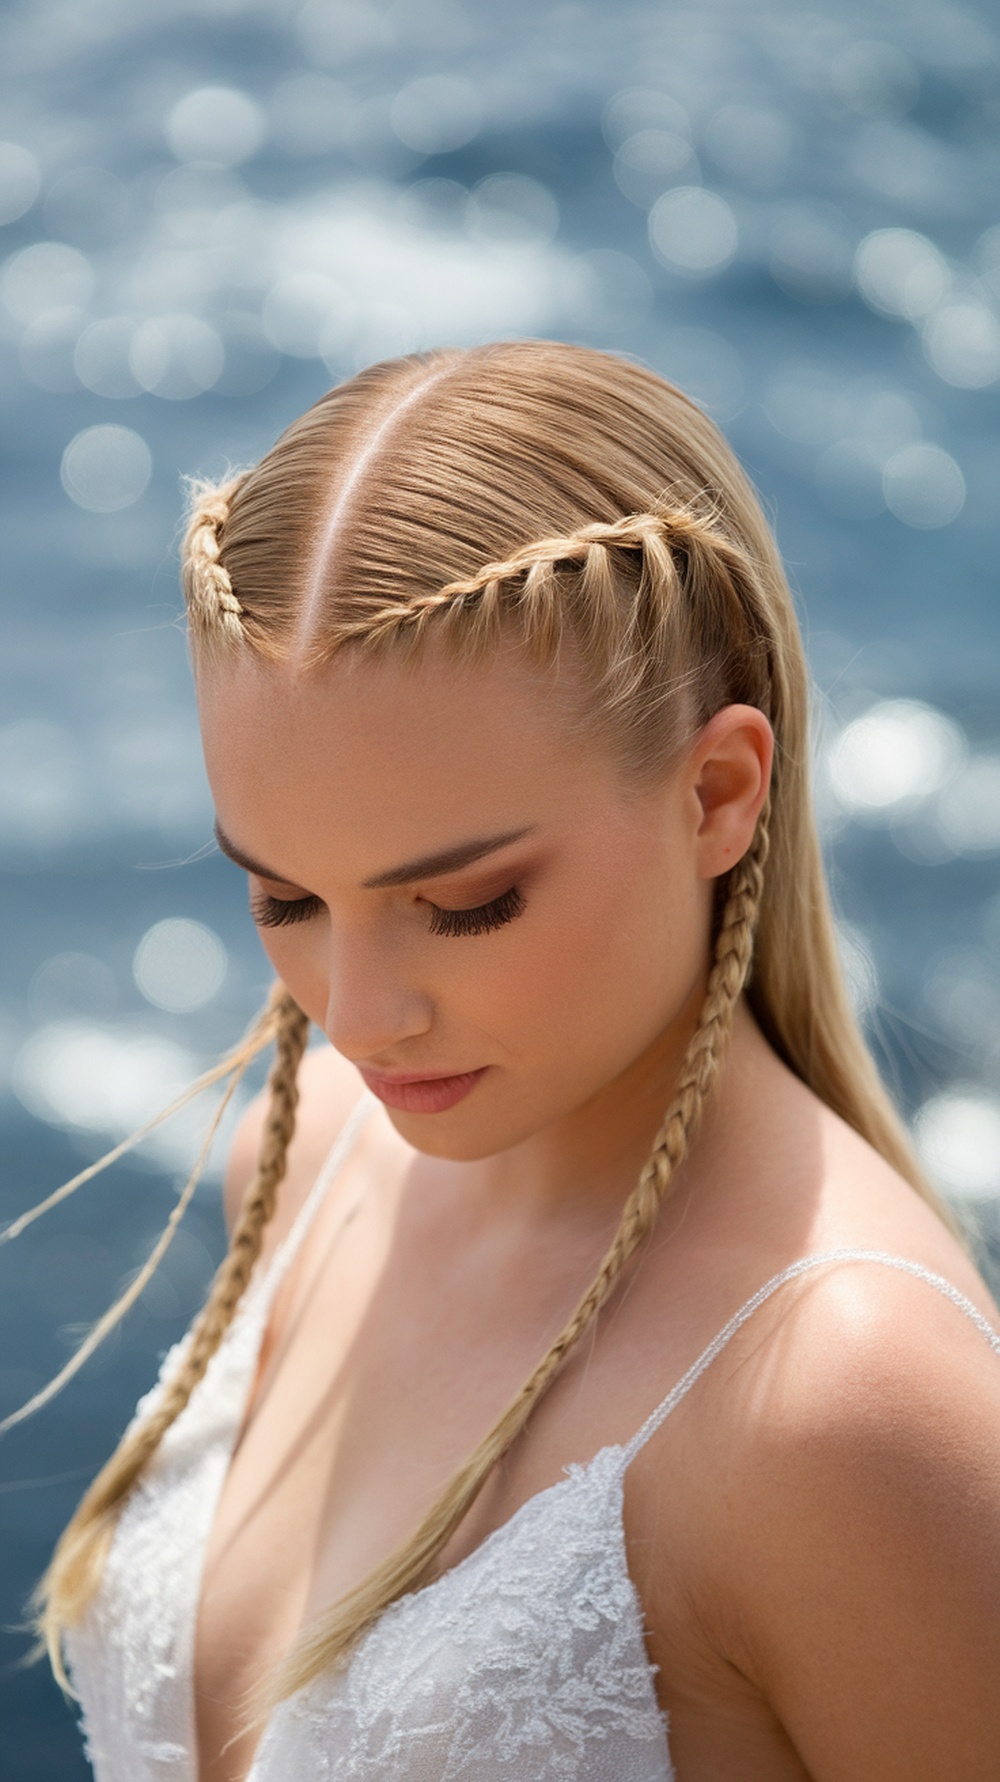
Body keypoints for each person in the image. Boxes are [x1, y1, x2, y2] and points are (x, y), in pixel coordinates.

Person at [22, 340, 1000, 1780]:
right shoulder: (303, 1170)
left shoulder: (841, 1402)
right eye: (285, 895)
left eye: (465, 903)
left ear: (718, 791)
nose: (357, 1017)